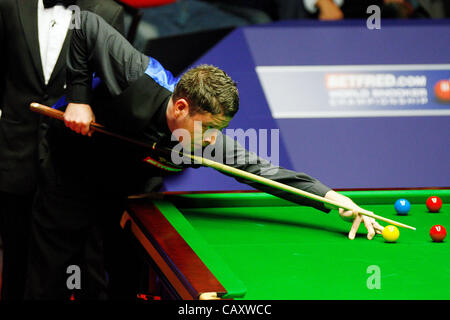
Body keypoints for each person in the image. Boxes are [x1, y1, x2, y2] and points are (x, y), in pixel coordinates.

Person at [28, 10, 385, 299]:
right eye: (208, 128)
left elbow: (265, 172)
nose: (213, 139)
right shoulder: (136, 75)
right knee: (50, 272)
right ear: (181, 107)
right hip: (72, 166)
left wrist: (335, 199)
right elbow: (84, 24)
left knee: (122, 275)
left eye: (220, 129)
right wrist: (78, 98)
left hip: (130, 187)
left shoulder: (206, 139)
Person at [0, 0, 124, 300]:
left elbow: (113, 87)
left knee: (70, 274)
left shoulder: (107, 12)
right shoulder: (9, 4)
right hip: (14, 153)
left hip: (69, 164)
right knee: (14, 259)